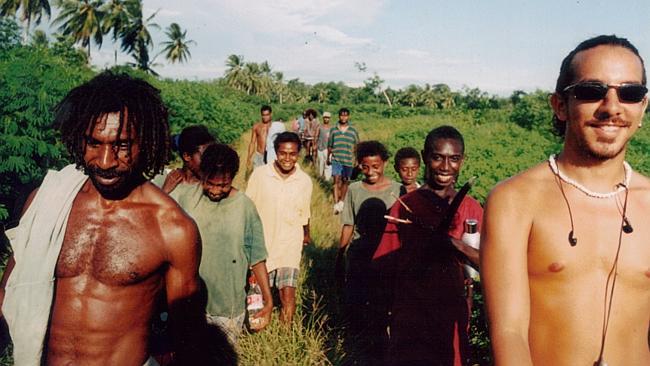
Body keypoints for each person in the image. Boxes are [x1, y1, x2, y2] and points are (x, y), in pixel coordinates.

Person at [0, 71, 205, 365]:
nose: (106, 161)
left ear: (143, 143)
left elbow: (187, 337)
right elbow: (9, 292)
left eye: (121, 146)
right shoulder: (48, 202)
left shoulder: (172, 228)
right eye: (94, 143)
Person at [481, 35, 650, 366]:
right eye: (592, 91)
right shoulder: (516, 201)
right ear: (560, 105)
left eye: (630, 93)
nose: (612, 107)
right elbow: (509, 331)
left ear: (642, 108)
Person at [373, 125, 483, 365]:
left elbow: (488, 264)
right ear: (425, 157)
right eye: (437, 158)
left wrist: (455, 245)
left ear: (463, 160)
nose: (445, 167)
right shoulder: (404, 206)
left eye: (453, 159)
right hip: (410, 314)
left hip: (453, 314)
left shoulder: (471, 208)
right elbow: (384, 267)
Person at [168, 143, 273, 344]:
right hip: (190, 304)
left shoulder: (244, 207)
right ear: (202, 174)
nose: (215, 191)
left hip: (228, 308)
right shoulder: (185, 197)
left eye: (223, 185)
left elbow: (257, 256)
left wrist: (268, 299)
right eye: (210, 183)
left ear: (233, 177)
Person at [335, 140, 401, 363]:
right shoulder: (354, 189)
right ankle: (359, 351)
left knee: (382, 308)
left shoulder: (397, 190)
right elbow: (348, 225)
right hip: (360, 257)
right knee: (357, 304)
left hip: (386, 259)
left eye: (376, 166)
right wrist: (340, 256)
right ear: (359, 165)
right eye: (365, 166)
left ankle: (380, 351)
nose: (371, 171)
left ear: (384, 163)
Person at [246, 132, 313, 324]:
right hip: (263, 244)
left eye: (292, 154)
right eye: (283, 153)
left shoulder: (304, 181)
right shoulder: (260, 175)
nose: (287, 159)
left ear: (298, 154)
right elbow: (248, 208)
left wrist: (306, 235)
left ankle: (285, 338)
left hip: (289, 245)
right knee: (258, 296)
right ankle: (258, 328)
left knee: (288, 296)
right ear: (275, 152)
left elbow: (305, 214)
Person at [156, 125, 216, 193]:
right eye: (205, 156)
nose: (210, 161)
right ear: (187, 156)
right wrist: (164, 191)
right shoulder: (162, 179)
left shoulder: (213, 187)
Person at [328, 108, 359, 214]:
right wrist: (329, 157)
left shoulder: (353, 131)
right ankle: (336, 203)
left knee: (346, 180)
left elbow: (356, 146)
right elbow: (330, 146)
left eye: (346, 115)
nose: (343, 117)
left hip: (349, 159)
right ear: (339, 116)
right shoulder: (333, 130)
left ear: (348, 116)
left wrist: (357, 160)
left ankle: (342, 201)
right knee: (336, 180)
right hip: (336, 159)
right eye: (342, 115)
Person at [246, 105, 274, 170]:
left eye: (267, 115)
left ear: (271, 114)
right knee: (257, 176)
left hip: (270, 156)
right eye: (263, 115)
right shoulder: (256, 126)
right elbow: (252, 143)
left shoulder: (274, 126)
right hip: (259, 155)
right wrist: (249, 157)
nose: (265, 117)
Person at [315, 111, 333, 180]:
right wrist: (315, 145)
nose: (326, 119)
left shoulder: (332, 128)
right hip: (320, 147)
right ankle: (320, 176)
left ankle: (327, 179)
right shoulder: (319, 127)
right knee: (320, 163)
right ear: (323, 118)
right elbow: (316, 136)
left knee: (328, 163)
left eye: (328, 118)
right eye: (325, 117)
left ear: (329, 119)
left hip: (328, 148)